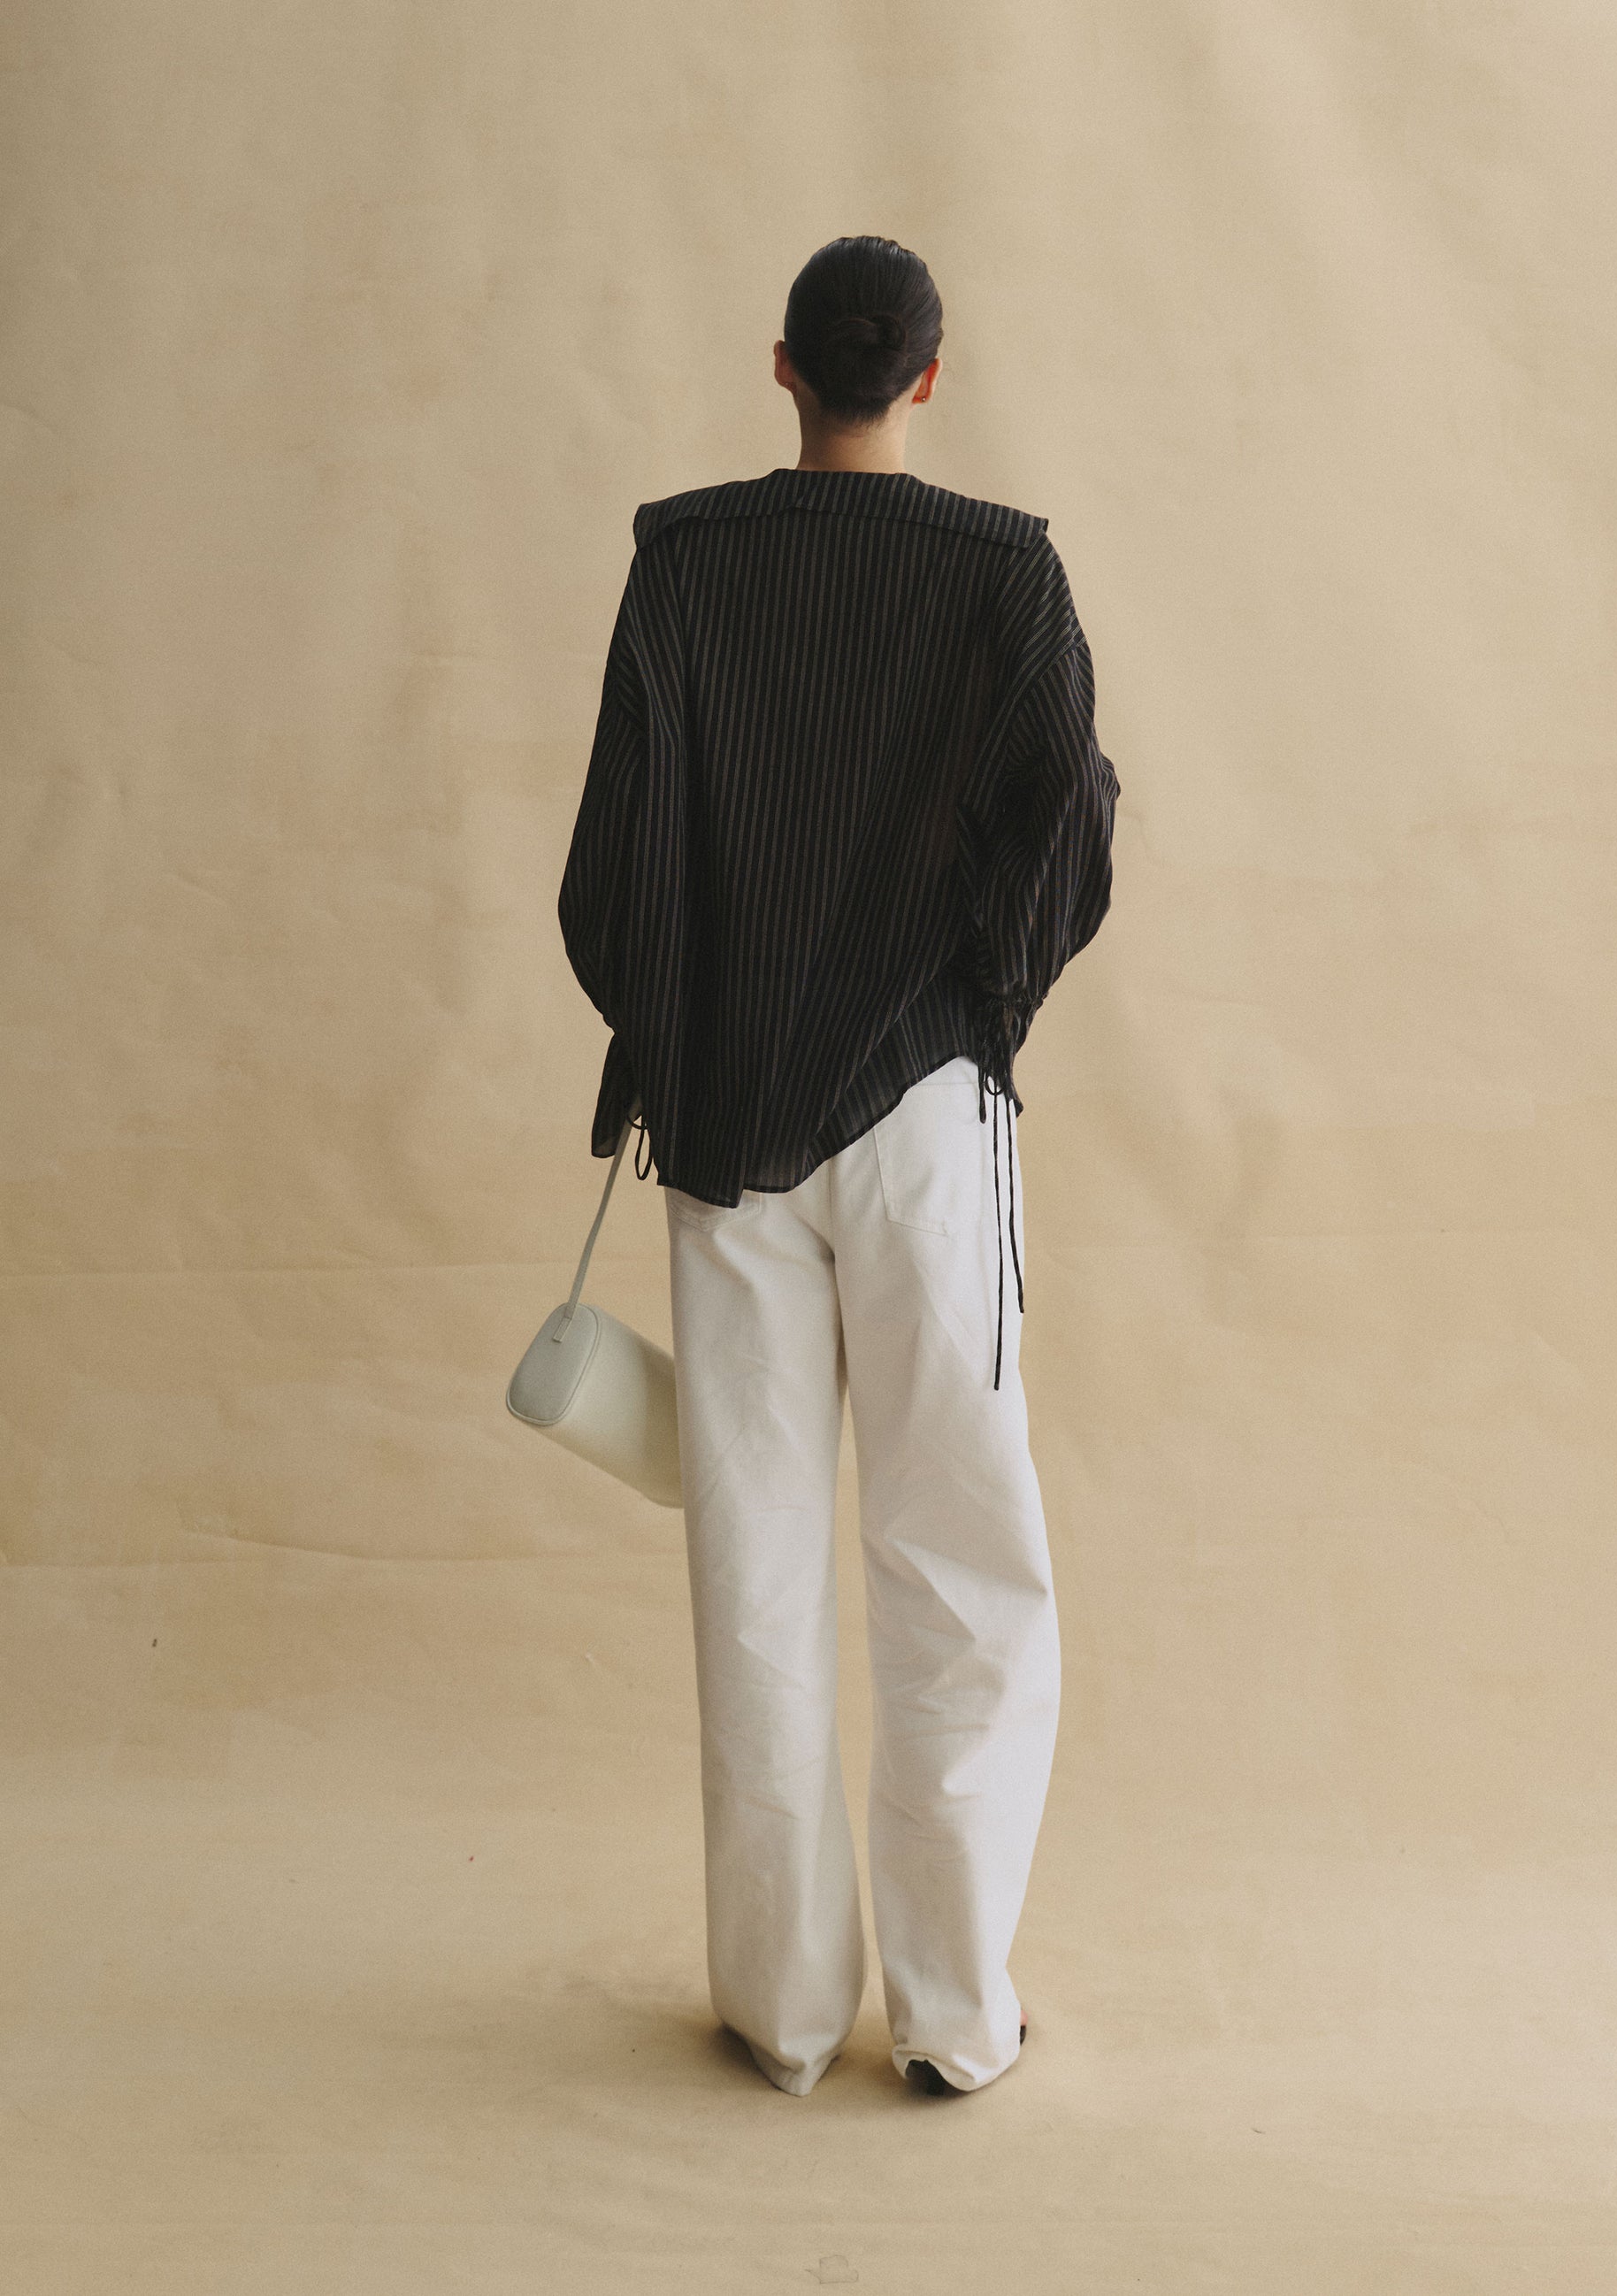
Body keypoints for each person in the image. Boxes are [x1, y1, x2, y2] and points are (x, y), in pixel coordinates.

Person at [557, 234, 1119, 2098]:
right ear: (927, 377)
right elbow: (1070, 831)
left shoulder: (683, 563)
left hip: (725, 1132)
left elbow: (609, 872)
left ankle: (782, 2012)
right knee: (959, 1556)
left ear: (782, 365)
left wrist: (686, 1031)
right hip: (927, 1122)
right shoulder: (1004, 572)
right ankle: (953, 2017)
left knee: (754, 1563)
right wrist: (980, 1002)